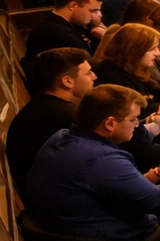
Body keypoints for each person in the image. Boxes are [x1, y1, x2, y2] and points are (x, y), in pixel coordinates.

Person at [27, 84, 160, 241]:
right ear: (109, 124)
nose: (137, 124)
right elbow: (157, 200)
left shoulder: (61, 138)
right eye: (133, 119)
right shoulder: (102, 158)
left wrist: (144, 181)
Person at [6, 48, 95, 188]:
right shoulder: (68, 116)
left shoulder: (40, 105)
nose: (94, 76)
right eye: (88, 73)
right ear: (68, 81)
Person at [24, 0, 102, 65]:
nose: (97, 15)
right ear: (72, 6)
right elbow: (90, 63)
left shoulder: (71, 22)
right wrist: (107, 38)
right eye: (92, 10)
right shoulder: (58, 32)